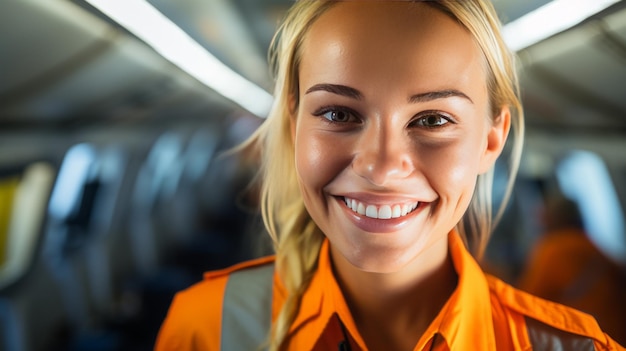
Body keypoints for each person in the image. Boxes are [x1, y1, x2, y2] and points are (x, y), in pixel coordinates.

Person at [155, 1, 624, 350]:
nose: (380, 167)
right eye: (338, 113)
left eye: (433, 120)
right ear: (294, 125)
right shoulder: (205, 327)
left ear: (489, 140)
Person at [518, 192, 626, 345]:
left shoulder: (550, 251)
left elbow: (525, 303)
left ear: (551, 218)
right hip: (614, 339)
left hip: (584, 341)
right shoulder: (590, 244)